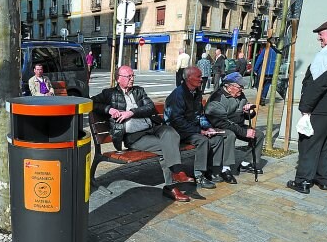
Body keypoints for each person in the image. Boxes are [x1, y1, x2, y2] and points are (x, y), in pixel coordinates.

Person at [92, 65, 195, 201]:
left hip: (152, 127)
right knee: (167, 146)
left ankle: (175, 174)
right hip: (135, 137)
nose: (132, 79)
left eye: (133, 76)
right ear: (118, 79)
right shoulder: (109, 94)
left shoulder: (139, 91)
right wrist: (108, 109)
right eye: (128, 76)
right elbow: (90, 101)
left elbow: (150, 107)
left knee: (171, 133)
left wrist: (131, 112)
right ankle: (172, 185)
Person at [287, 18, 327, 194]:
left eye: (321, 34)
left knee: (309, 143)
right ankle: (324, 180)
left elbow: (317, 84)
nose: (319, 38)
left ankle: (302, 181)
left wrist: (305, 108)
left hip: (322, 108)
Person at [165, 66, 238, 189]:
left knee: (217, 138)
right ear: (189, 78)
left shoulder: (196, 93)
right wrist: (200, 131)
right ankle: (199, 175)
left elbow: (200, 115)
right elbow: (176, 121)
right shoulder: (178, 95)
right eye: (198, 76)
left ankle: (212, 170)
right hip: (176, 131)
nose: (202, 79)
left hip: (191, 127)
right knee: (202, 140)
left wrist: (208, 128)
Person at [205, 72, 265, 174]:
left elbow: (246, 113)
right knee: (230, 135)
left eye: (242, 86)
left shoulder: (240, 95)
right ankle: (225, 168)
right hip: (218, 127)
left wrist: (250, 111)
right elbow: (222, 123)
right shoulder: (217, 98)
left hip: (237, 125)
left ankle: (247, 163)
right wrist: (244, 132)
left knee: (258, 134)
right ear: (229, 86)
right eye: (239, 86)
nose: (242, 89)